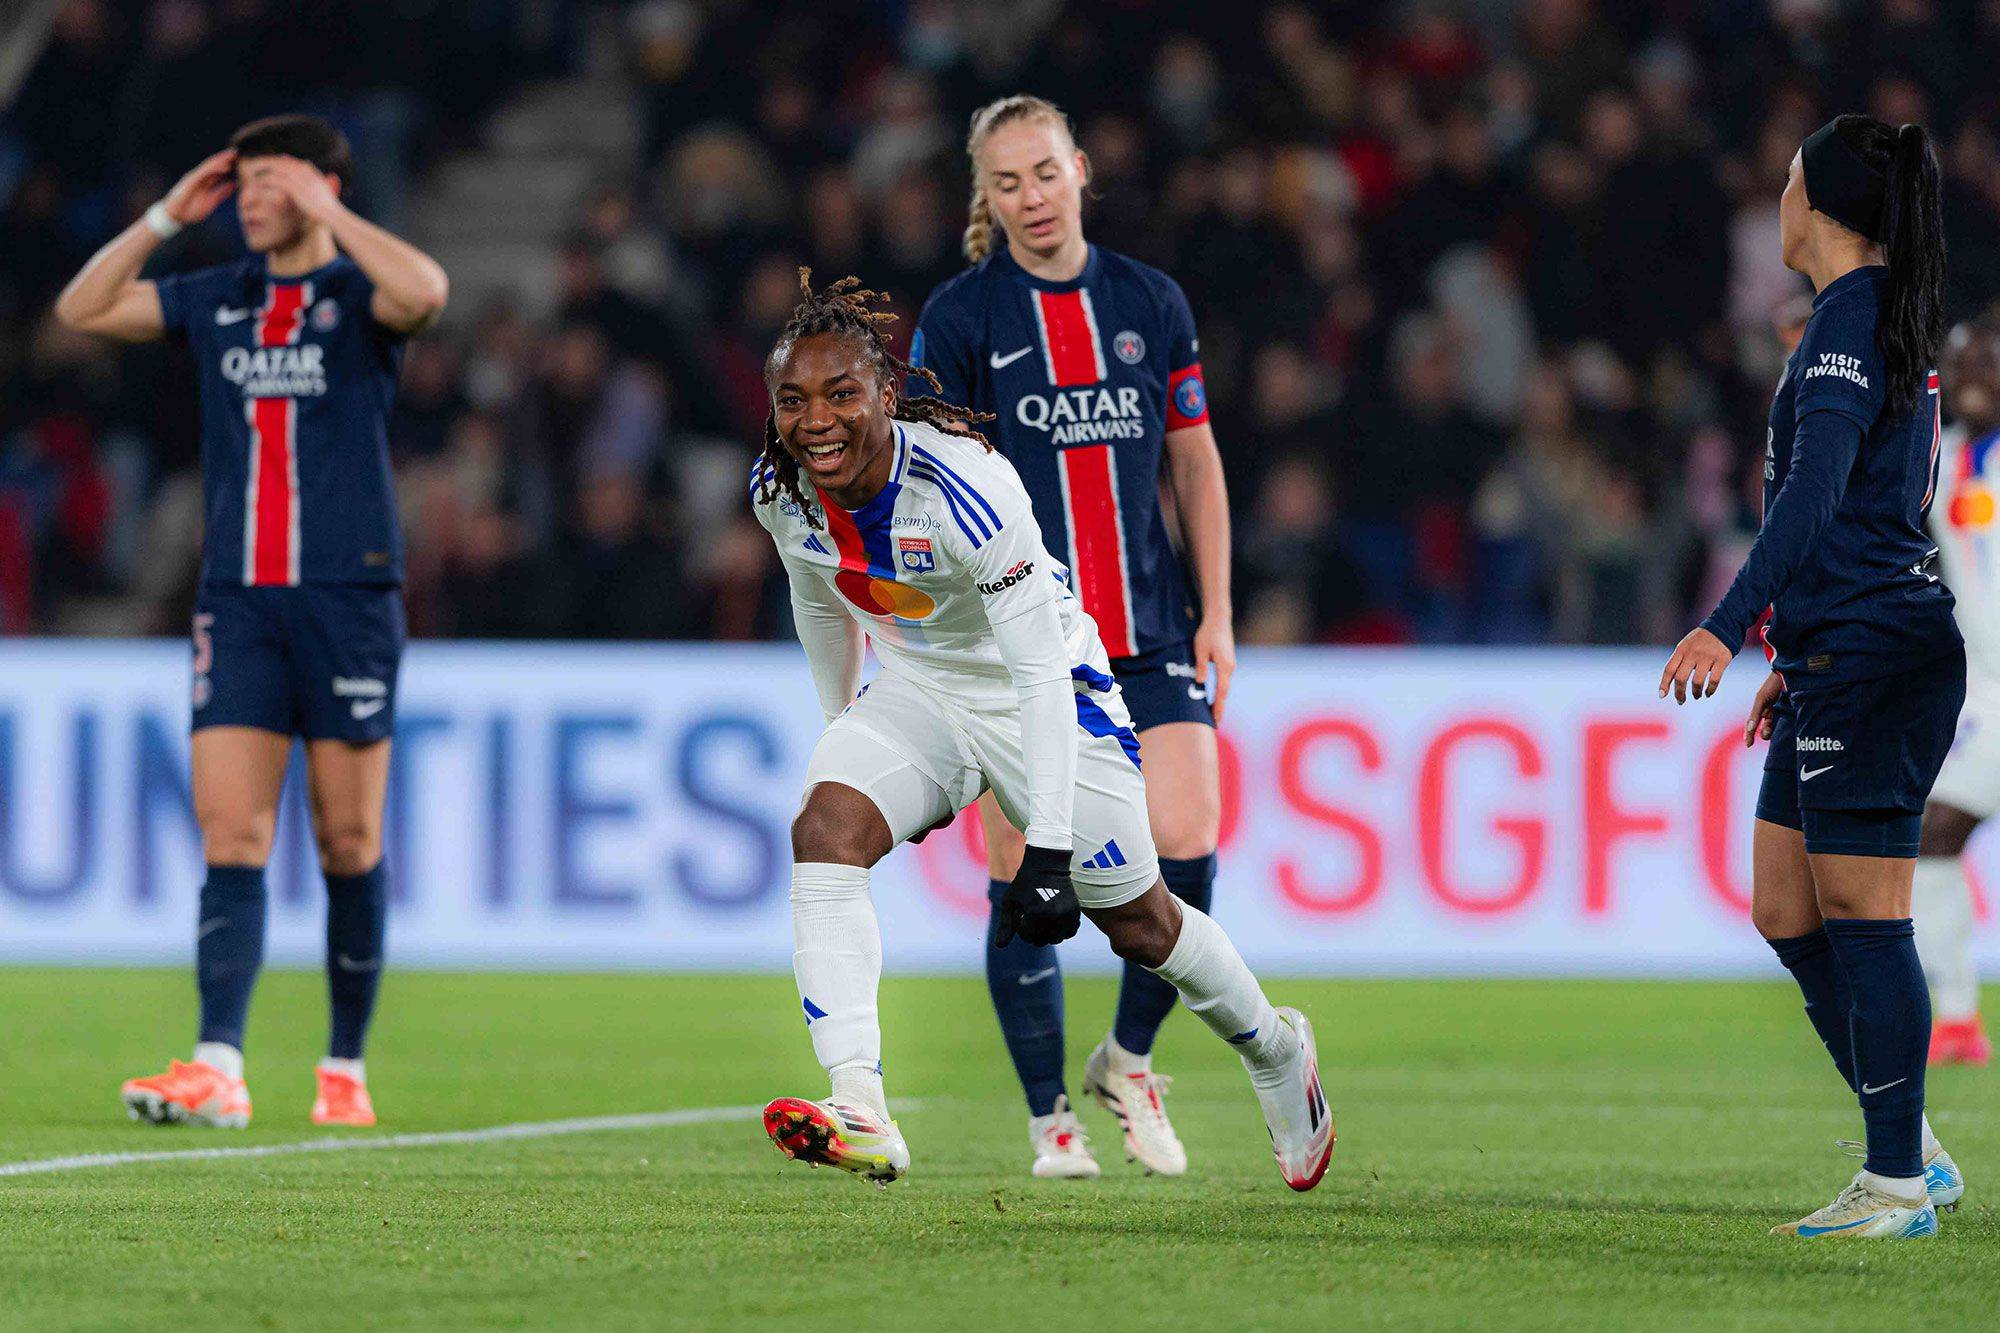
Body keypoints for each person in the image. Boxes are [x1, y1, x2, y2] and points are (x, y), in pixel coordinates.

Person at [751, 272, 1331, 1192]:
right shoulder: (780, 490)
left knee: (1139, 921)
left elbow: (1035, 675)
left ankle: (1273, 1047)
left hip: (1048, 693)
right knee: (823, 831)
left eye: (840, 393)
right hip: (923, 690)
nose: (816, 419)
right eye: (794, 399)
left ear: (888, 394)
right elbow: (818, 596)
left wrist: (1048, 850)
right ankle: (859, 1103)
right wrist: (847, 737)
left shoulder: (964, 488)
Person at [54, 115, 448, 1128]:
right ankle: (217, 1063)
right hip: (236, 599)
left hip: (348, 597)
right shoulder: (219, 296)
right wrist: (160, 216)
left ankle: (343, 1066)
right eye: (241, 186)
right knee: (231, 831)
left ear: (320, 186)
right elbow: (83, 305)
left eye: (269, 182)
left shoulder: (360, 293)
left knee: (347, 838)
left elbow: (428, 293)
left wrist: (334, 216)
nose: (249, 200)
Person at [912, 94, 1233, 1179]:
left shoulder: (1152, 301)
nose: (1030, 199)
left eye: (1044, 173)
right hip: (1017, 643)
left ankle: (1127, 1058)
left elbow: (1194, 461)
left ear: (1082, 169)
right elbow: (926, 487)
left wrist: (1219, 614)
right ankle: (1050, 1118)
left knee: (1187, 849)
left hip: (1146, 630)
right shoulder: (960, 321)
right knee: (1022, 870)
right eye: (1006, 184)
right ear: (985, 198)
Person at [1660, 114, 1964, 1238]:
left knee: (1863, 915)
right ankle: (1911, 1146)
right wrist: (1794, 651)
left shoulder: (1849, 318)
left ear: (1818, 203)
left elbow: (1813, 496)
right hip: (1842, 647)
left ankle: (1891, 1183)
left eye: (1784, 176)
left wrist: (1727, 626)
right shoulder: (1869, 314)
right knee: (1784, 906)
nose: (1774, 194)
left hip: (1876, 652)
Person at [1914, 306, 2000, 1065]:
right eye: (1961, 365)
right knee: (1935, 833)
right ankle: (1959, 1022)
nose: (1973, 378)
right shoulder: (1943, 463)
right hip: (1989, 692)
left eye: (1987, 365)